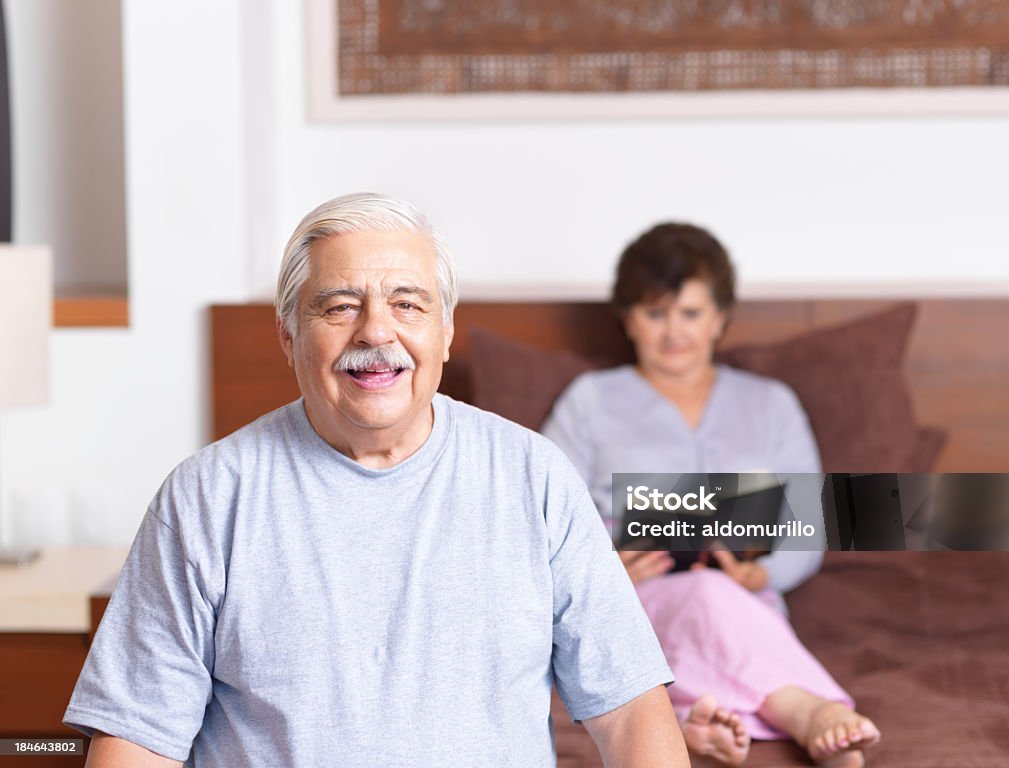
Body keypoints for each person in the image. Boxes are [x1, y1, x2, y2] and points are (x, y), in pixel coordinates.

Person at [64, 194, 692, 768]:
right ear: (289, 336)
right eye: (339, 307)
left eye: (407, 304)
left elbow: (632, 711)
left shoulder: (536, 477)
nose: (376, 331)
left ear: (444, 331)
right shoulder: (206, 497)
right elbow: (136, 740)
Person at [543, 223, 882, 768]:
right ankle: (810, 712)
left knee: (715, 596)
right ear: (628, 319)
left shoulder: (771, 404)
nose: (674, 331)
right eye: (656, 314)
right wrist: (607, 566)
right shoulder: (589, 401)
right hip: (634, 600)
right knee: (696, 594)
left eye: (692, 314)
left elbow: (808, 527)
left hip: (748, 602)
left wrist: (762, 575)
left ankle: (695, 723)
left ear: (721, 317)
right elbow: (547, 519)